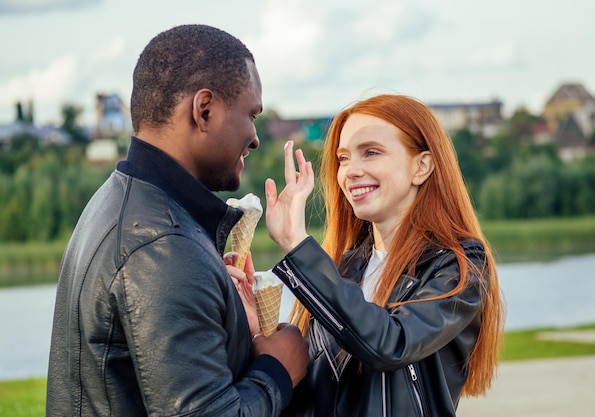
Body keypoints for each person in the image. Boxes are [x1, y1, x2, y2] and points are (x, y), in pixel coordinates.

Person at [46, 24, 309, 417]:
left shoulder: (117, 201)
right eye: (251, 114)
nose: (255, 138)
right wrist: (277, 372)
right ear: (204, 110)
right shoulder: (163, 247)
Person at [262, 94, 505, 416]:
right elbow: (309, 394)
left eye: (371, 152)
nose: (350, 171)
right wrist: (253, 330)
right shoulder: (341, 270)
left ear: (421, 166)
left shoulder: (458, 265)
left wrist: (298, 247)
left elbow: (391, 345)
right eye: (344, 158)